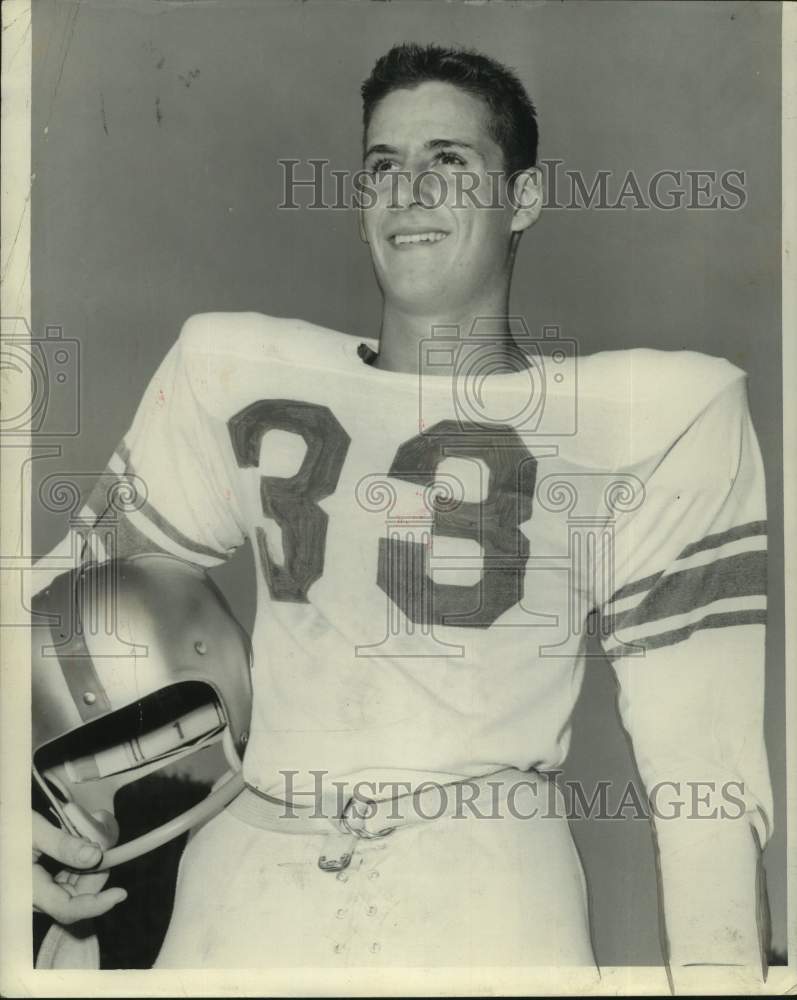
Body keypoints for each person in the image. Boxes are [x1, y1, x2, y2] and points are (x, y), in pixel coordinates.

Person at [33, 43, 772, 990]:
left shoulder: (655, 417)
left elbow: (699, 771)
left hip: (482, 889)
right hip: (250, 885)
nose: (408, 191)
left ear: (527, 199)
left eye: (448, 163)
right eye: (383, 166)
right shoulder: (235, 371)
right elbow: (56, 622)